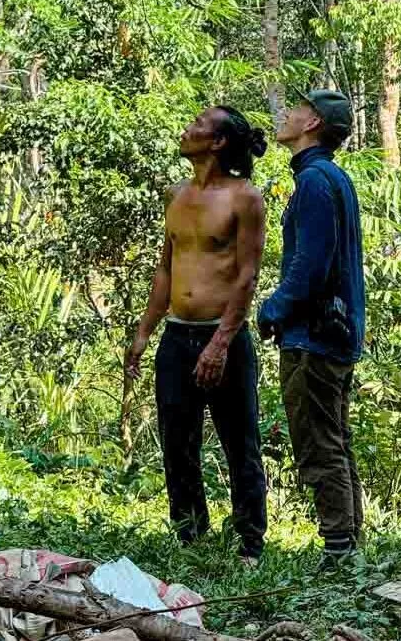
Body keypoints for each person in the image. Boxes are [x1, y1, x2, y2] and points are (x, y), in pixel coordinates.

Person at [126, 106, 268, 563]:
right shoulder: (176, 195)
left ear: (218, 142)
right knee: (177, 440)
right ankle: (190, 536)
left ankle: (249, 544)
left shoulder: (245, 199)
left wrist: (221, 343)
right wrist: (145, 332)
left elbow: (247, 277)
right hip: (177, 336)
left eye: (198, 126)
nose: (186, 130)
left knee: (239, 443)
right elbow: (165, 269)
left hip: (223, 338)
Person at [257, 89, 365, 564]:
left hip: (314, 337)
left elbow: (310, 265)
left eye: (297, 110)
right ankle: (348, 540)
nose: (286, 114)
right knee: (335, 439)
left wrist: (273, 308)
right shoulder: (327, 178)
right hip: (331, 334)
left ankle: (338, 548)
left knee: (319, 443)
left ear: (312, 125)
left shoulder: (317, 182)